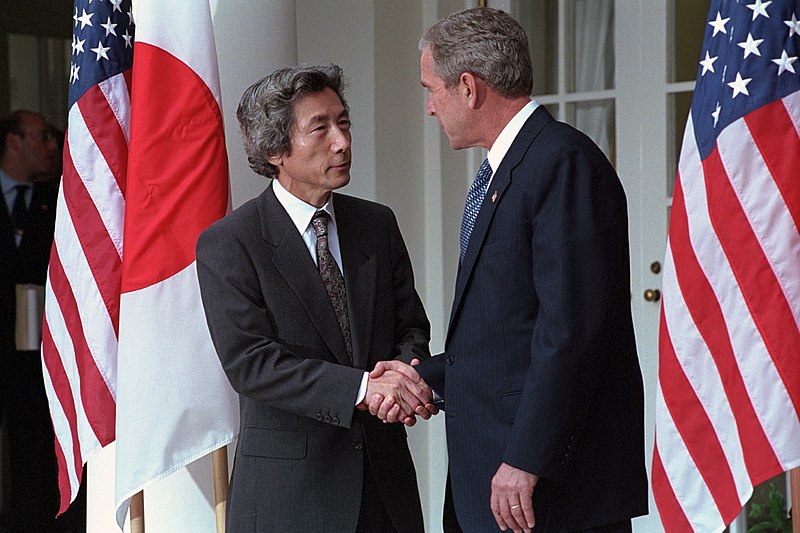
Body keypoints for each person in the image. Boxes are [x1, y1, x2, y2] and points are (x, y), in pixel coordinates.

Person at [371, 7, 648, 532]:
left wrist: (526, 460)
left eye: (432, 89)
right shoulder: (509, 168)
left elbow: (570, 332)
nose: (430, 108)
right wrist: (421, 377)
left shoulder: (561, 163)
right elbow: (506, 333)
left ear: (469, 88)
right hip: (493, 477)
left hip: (547, 491)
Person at [196, 64, 435, 532]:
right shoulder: (231, 242)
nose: (342, 141)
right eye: (320, 128)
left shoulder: (377, 224)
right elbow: (251, 362)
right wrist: (365, 390)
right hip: (290, 501)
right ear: (274, 149)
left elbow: (411, 328)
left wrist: (403, 376)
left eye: (343, 122)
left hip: (385, 494)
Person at [0, 110, 84, 531]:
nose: (53, 146)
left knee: (35, 445)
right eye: (43, 137)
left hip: (38, 349)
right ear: (13, 142)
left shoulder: (58, 202)